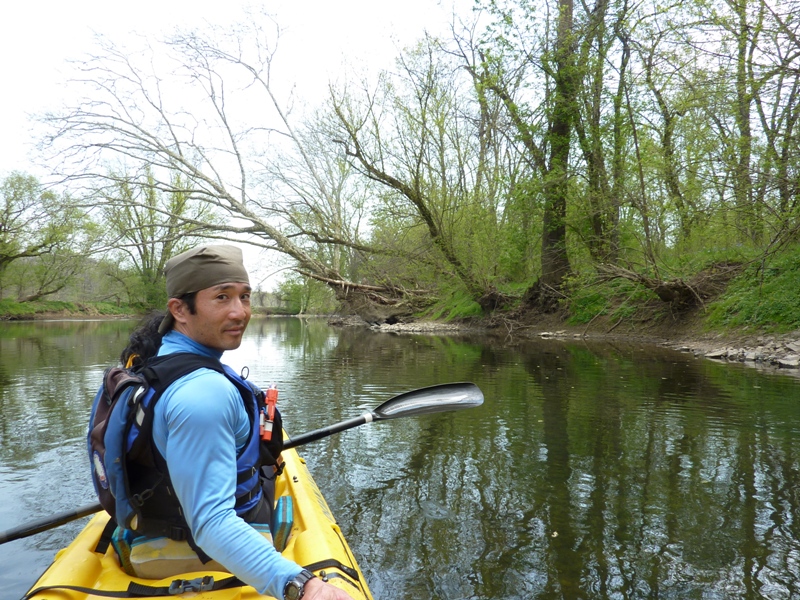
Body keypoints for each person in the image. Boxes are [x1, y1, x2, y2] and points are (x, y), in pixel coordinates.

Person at [117, 244, 353, 600]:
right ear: (179, 309)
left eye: (245, 297)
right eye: (222, 297)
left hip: (157, 519)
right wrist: (303, 585)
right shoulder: (204, 394)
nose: (239, 312)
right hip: (208, 549)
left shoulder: (153, 361)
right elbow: (211, 523)